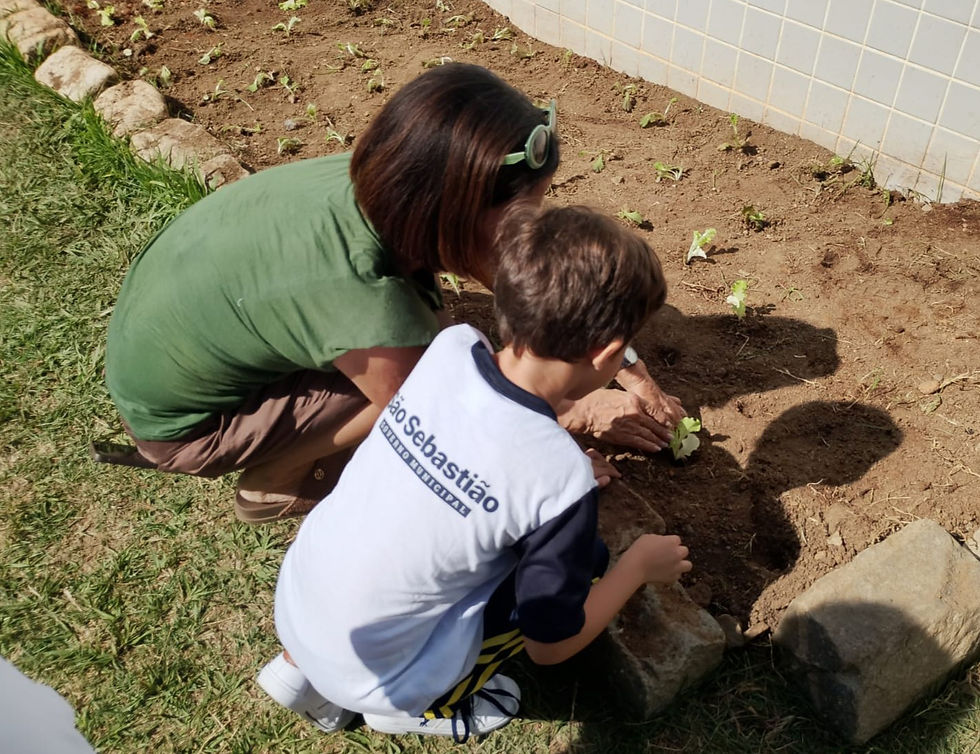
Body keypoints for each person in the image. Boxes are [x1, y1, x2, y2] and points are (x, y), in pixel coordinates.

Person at [104, 63, 683, 523]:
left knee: (442, 344)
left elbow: (531, 273)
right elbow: (442, 414)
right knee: (428, 381)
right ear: (454, 211)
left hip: (165, 339)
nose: (529, 232)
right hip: (184, 424)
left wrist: (630, 370)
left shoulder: (391, 178)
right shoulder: (365, 295)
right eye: (523, 214)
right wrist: (575, 411)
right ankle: (270, 486)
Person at [256, 204, 693, 740]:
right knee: (596, 561)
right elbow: (549, 645)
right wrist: (639, 567)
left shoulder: (452, 346)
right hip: (380, 676)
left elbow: (481, 433)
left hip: (300, 605)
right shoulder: (558, 481)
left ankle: (299, 676)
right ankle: (420, 707)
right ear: (606, 355)